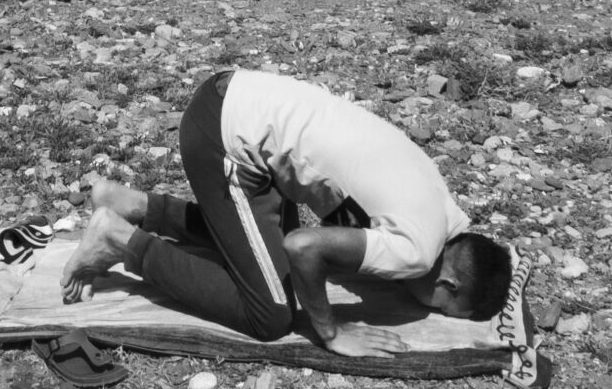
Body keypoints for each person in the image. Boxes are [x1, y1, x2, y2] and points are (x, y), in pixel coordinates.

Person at [61, 69, 519, 357]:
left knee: (261, 260)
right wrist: (330, 331)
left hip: (237, 99)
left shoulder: (442, 206)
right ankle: (119, 240)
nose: (432, 310)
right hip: (226, 138)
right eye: (445, 309)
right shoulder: (419, 253)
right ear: (448, 283)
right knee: (271, 314)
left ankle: (133, 206)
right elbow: (303, 247)